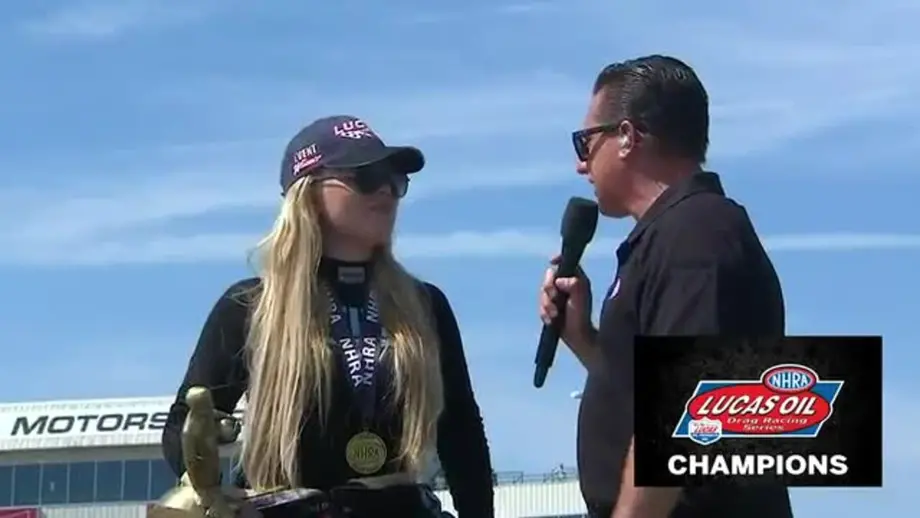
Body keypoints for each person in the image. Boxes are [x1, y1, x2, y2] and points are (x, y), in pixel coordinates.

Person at [162, 115, 495, 518]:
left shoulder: (426, 305)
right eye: (366, 177)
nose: (387, 190)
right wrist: (211, 486)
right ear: (308, 191)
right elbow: (183, 424)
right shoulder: (250, 306)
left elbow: (461, 433)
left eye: (396, 180)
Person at [538, 56, 793, 518]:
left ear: (627, 137)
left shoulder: (697, 233)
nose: (580, 164)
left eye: (585, 142)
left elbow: (684, 409)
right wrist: (586, 341)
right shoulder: (675, 235)